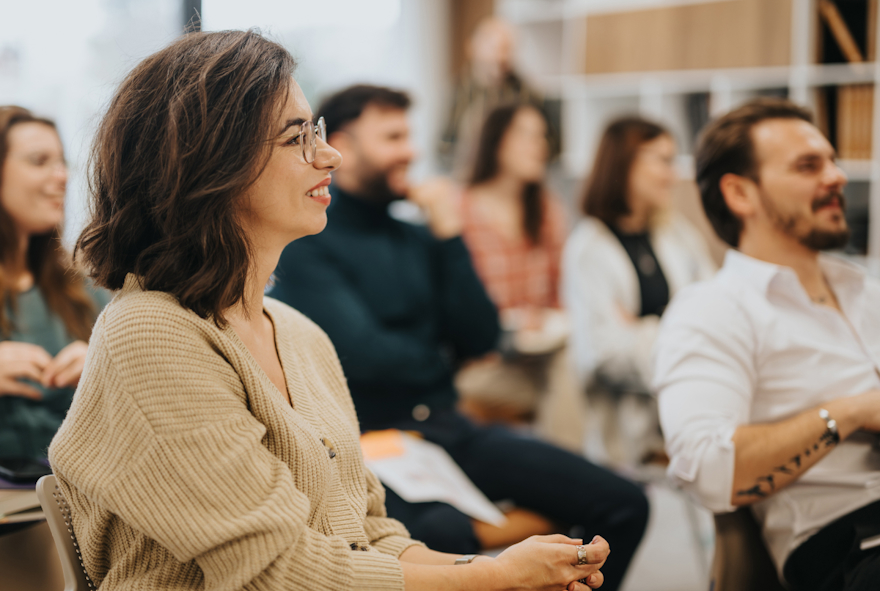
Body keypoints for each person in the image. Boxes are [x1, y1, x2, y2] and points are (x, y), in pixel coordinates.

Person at [49, 30, 610, 591]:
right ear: (213, 165)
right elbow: (278, 573)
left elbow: (370, 536)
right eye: (298, 138)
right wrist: (496, 579)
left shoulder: (298, 334)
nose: (330, 155)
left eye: (315, 131)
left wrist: (503, 573)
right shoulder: (151, 334)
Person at [271, 84, 648, 591]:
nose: (412, 151)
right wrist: (442, 360)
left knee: (623, 503)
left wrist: (450, 235)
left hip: (448, 428)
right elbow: (362, 357)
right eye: (394, 137)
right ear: (344, 143)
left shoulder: (419, 236)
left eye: (410, 135)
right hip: (370, 442)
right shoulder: (309, 239)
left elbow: (482, 335)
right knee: (443, 533)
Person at [653, 98, 880, 590]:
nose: (837, 176)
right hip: (852, 543)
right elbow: (706, 468)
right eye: (808, 165)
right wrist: (856, 412)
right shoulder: (713, 309)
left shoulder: (863, 289)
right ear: (740, 193)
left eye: (832, 160)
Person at [562, 117, 716, 465]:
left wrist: (641, 330)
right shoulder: (588, 248)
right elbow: (602, 354)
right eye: (662, 161)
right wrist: (682, 337)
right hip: (628, 423)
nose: (673, 175)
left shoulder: (677, 233)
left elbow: (715, 314)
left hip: (691, 403)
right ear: (625, 162)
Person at [455, 101, 583, 451]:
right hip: (482, 363)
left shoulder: (546, 209)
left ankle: (566, 478)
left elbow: (563, 291)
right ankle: (571, 478)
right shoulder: (458, 212)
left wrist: (546, 318)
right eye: (525, 135)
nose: (539, 146)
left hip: (541, 354)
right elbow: (452, 308)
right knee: (568, 388)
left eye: (542, 136)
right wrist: (509, 325)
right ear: (495, 141)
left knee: (572, 367)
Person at [0, 106, 106, 463]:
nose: (61, 176)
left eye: (61, 162)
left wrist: (105, 364)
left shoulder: (81, 285)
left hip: (71, 495)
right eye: (38, 161)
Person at [439, 17, 544, 177]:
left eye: (508, 49)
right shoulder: (455, 92)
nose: (501, 57)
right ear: (472, 48)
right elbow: (442, 146)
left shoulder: (526, 94)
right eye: (495, 48)